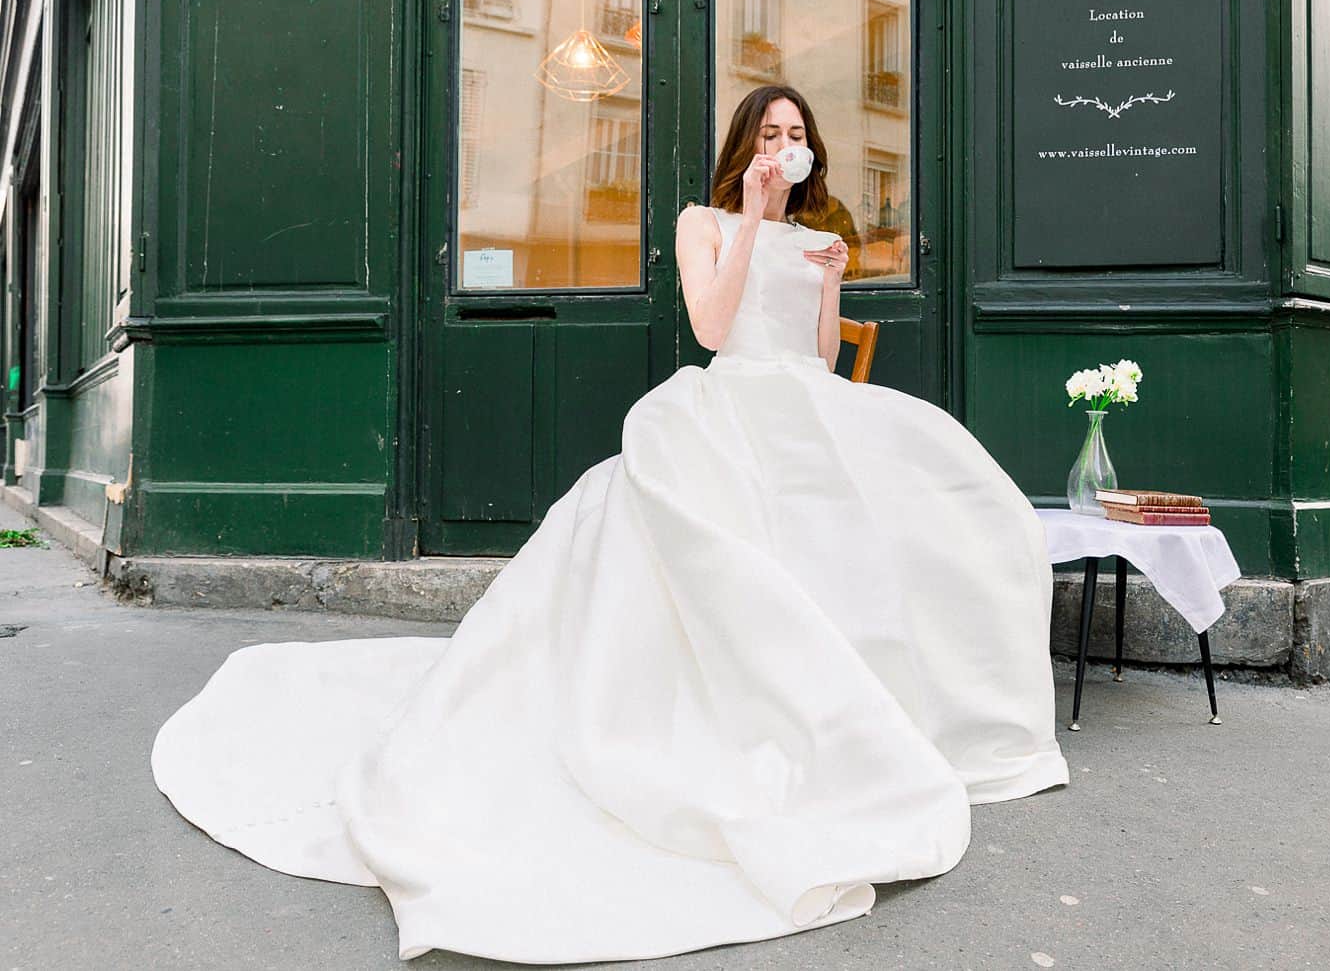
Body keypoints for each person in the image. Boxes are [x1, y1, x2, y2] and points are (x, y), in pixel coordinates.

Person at [151, 84, 1069, 965]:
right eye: (769, 134)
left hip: (803, 404)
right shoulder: (703, 222)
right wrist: (751, 216)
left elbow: (822, 359)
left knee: (956, 498)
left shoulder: (819, 234)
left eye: (796, 135)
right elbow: (712, 328)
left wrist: (827, 280)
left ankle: (887, 713)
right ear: (747, 148)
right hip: (731, 400)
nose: (784, 147)